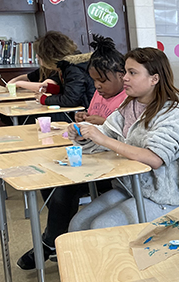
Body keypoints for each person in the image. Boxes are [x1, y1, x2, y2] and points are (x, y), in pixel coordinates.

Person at [15, 35, 126, 269]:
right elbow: (93, 116)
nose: (95, 86)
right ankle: (54, 239)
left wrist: (101, 124)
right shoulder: (101, 91)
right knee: (50, 178)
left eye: (100, 81)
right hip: (94, 153)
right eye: (94, 81)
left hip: (112, 163)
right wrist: (85, 119)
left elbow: (125, 133)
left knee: (64, 186)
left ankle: (49, 242)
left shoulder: (126, 98)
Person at [67, 47, 179, 231]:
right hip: (129, 188)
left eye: (132, 73)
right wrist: (84, 135)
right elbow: (105, 134)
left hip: (161, 198)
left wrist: (103, 139)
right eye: (125, 71)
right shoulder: (128, 107)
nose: (125, 77)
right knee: (78, 223)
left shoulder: (171, 113)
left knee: (101, 226)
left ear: (154, 79)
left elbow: (154, 158)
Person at [7, 31, 94, 109]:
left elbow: (71, 99)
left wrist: (44, 99)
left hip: (87, 112)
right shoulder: (65, 67)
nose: (37, 56)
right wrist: (52, 89)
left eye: (39, 54)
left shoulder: (73, 69)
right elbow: (72, 91)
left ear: (49, 55)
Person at [75, 34, 128, 125]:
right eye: (94, 80)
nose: (97, 86)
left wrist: (105, 123)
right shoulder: (99, 93)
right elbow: (93, 114)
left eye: (102, 80)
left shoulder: (128, 99)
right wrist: (84, 116)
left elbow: (129, 134)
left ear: (121, 76)